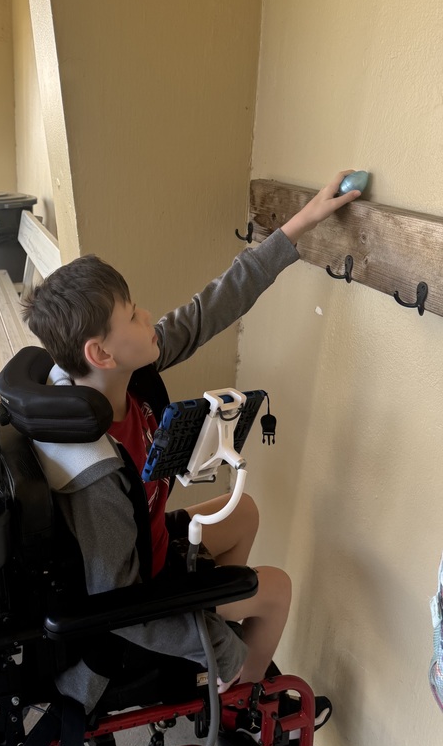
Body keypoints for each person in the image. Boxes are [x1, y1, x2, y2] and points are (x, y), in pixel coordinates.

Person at [22, 172, 361, 711]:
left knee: (243, 511)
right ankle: (239, 693)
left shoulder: (111, 376)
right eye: (132, 313)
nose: (148, 315)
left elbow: (211, 308)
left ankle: (209, 637)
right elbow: (120, 606)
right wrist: (220, 649)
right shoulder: (93, 474)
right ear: (101, 353)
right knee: (274, 589)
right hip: (128, 613)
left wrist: (300, 224)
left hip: (151, 554)